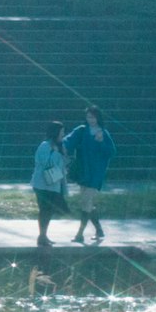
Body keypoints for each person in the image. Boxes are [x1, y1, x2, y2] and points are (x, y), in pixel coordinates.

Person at [61, 104, 115, 243]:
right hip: (83, 171)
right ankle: (99, 230)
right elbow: (67, 142)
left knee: (86, 202)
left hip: (96, 172)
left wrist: (101, 142)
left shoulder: (103, 133)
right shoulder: (81, 130)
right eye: (89, 117)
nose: (91, 119)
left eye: (93, 117)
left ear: (98, 117)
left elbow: (111, 152)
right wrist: (62, 150)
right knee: (88, 202)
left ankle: (80, 234)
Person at [29, 117, 73, 249]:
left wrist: (65, 156)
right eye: (61, 133)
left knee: (49, 211)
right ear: (55, 133)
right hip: (42, 185)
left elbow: (63, 165)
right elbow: (44, 163)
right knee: (44, 210)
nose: (63, 135)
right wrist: (56, 152)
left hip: (54, 184)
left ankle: (44, 236)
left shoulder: (60, 146)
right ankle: (42, 236)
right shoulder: (45, 146)